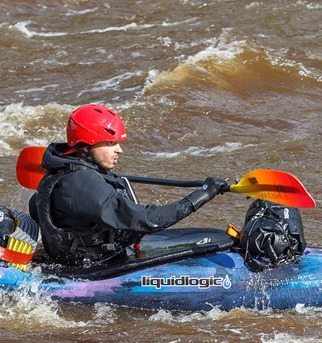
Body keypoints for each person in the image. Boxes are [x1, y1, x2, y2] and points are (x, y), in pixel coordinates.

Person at [28, 104, 231, 267]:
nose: (119, 150)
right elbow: (146, 220)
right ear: (85, 145)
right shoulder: (80, 185)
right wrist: (202, 195)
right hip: (93, 266)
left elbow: (35, 206)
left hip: (90, 254)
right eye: (109, 143)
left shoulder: (62, 170)